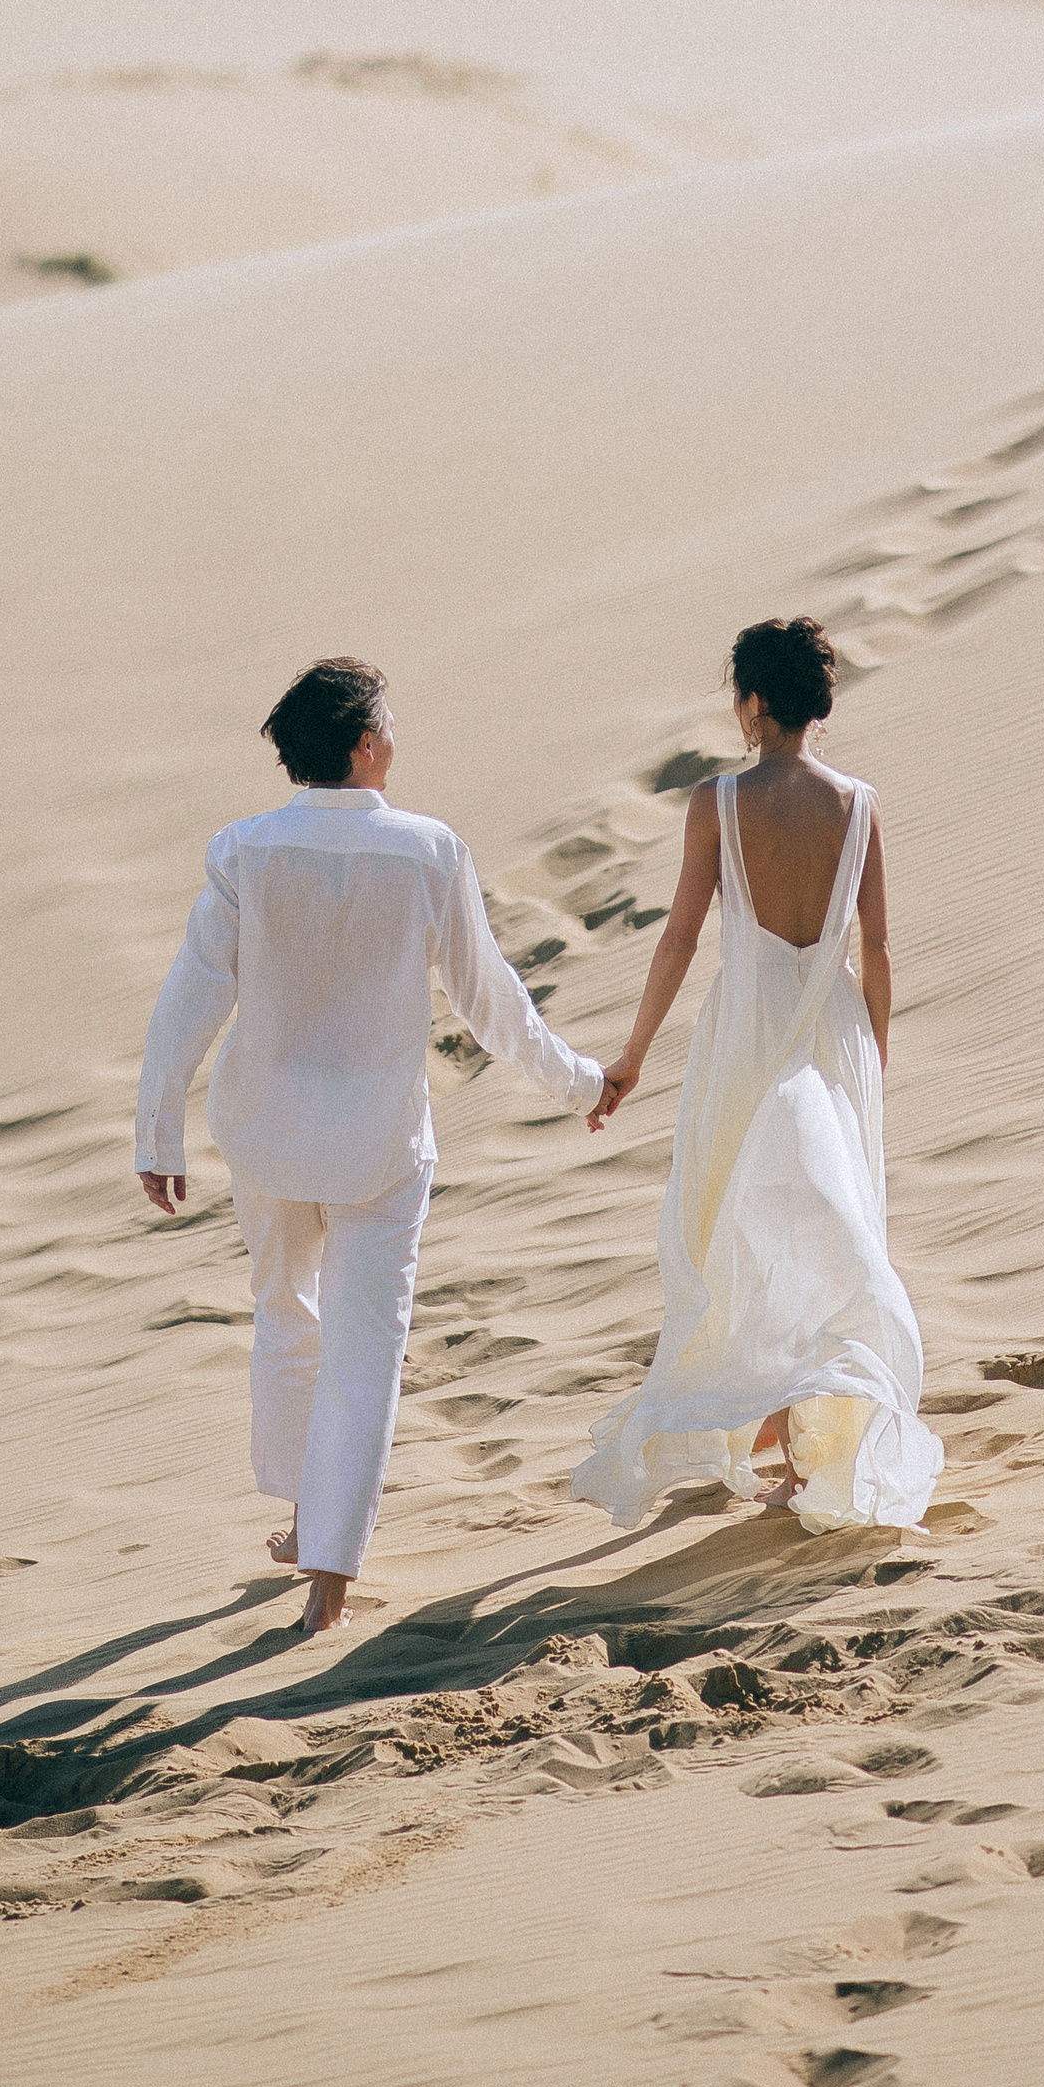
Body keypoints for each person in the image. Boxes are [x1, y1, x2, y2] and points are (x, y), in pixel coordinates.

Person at [137, 657, 604, 1635]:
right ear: (361, 745)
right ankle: (328, 1576)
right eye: (386, 725)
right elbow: (488, 1002)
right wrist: (580, 1082)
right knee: (363, 1348)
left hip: (265, 1133)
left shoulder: (244, 851)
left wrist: (157, 1127)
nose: (395, 738)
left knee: (285, 1318)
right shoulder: (426, 850)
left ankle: (311, 1521)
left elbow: (190, 997)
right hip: (379, 1144)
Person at [571, 616, 943, 1537]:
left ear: (754, 702)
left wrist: (633, 1054)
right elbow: (880, 946)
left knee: (733, 1217)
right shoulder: (859, 804)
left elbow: (682, 938)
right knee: (830, 1220)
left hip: (746, 1030)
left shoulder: (717, 803)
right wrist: (876, 1055)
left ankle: (782, 1431)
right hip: (834, 1028)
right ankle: (806, 1436)